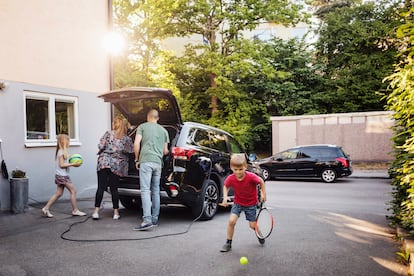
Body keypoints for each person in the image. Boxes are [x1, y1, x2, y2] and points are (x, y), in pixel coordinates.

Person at [219, 153, 266, 252]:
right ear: (232, 168)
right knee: (231, 222)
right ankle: (228, 243)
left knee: (252, 226)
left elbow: (261, 181)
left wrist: (263, 193)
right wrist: (225, 198)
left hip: (251, 204)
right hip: (238, 203)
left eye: (241, 169)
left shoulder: (251, 177)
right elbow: (226, 186)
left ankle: (258, 233)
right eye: (235, 170)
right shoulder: (231, 178)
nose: (238, 172)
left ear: (245, 167)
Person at [133, 109, 169, 230]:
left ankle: (147, 220)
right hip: (158, 163)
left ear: (148, 117)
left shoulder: (142, 126)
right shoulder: (164, 131)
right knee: (155, 191)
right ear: (157, 118)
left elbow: (136, 144)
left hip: (146, 161)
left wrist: (137, 159)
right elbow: (166, 151)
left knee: (145, 190)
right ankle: (154, 219)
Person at [92, 116, 133, 220]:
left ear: (115, 124)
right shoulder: (126, 138)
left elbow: (100, 146)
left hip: (103, 162)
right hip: (116, 165)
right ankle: (116, 213)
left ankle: (96, 211)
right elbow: (130, 151)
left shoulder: (108, 133)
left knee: (101, 187)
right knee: (114, 188)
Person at [41, 134, 86, 218]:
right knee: (73, 191)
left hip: (59, 175)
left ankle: (46, 208)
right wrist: (73, 164)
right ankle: (75, 210)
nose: (69, 142)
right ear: (64, 142)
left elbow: (64, 161)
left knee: (59, 193)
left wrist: (72, 159)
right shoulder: (61, 152)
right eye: (68, 141)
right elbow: (61, 165)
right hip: (62, 176)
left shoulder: (61, 151)